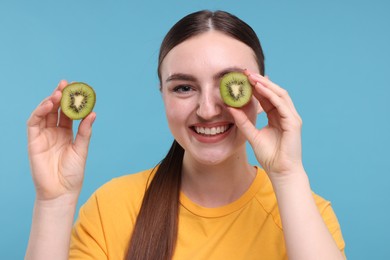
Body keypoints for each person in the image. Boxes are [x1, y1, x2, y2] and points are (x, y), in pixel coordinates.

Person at [25, 10, 346, 260]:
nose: (207, 109)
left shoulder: (306, 213)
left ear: (263, 94)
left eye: (229, 85)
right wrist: (54, 202)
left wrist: (288, 175)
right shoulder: (111, 208)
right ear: (162, 95)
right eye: (184, 87)